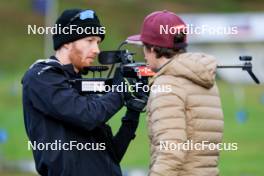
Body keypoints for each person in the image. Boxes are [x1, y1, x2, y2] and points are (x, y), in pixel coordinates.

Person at [22, 9, 146, 176]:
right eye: (90, 40)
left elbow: (111, 157)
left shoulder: (79, 83)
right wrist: (121, 92)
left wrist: (132, 114)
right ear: (66, 42)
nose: (97, 50)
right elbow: (88, 116)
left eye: (98, 42)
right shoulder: (42, 77)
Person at [128, 10, 224, 176]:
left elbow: (171, 152)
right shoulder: (202, 78)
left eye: (144, 46)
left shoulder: (167, 84)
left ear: (152, 48)